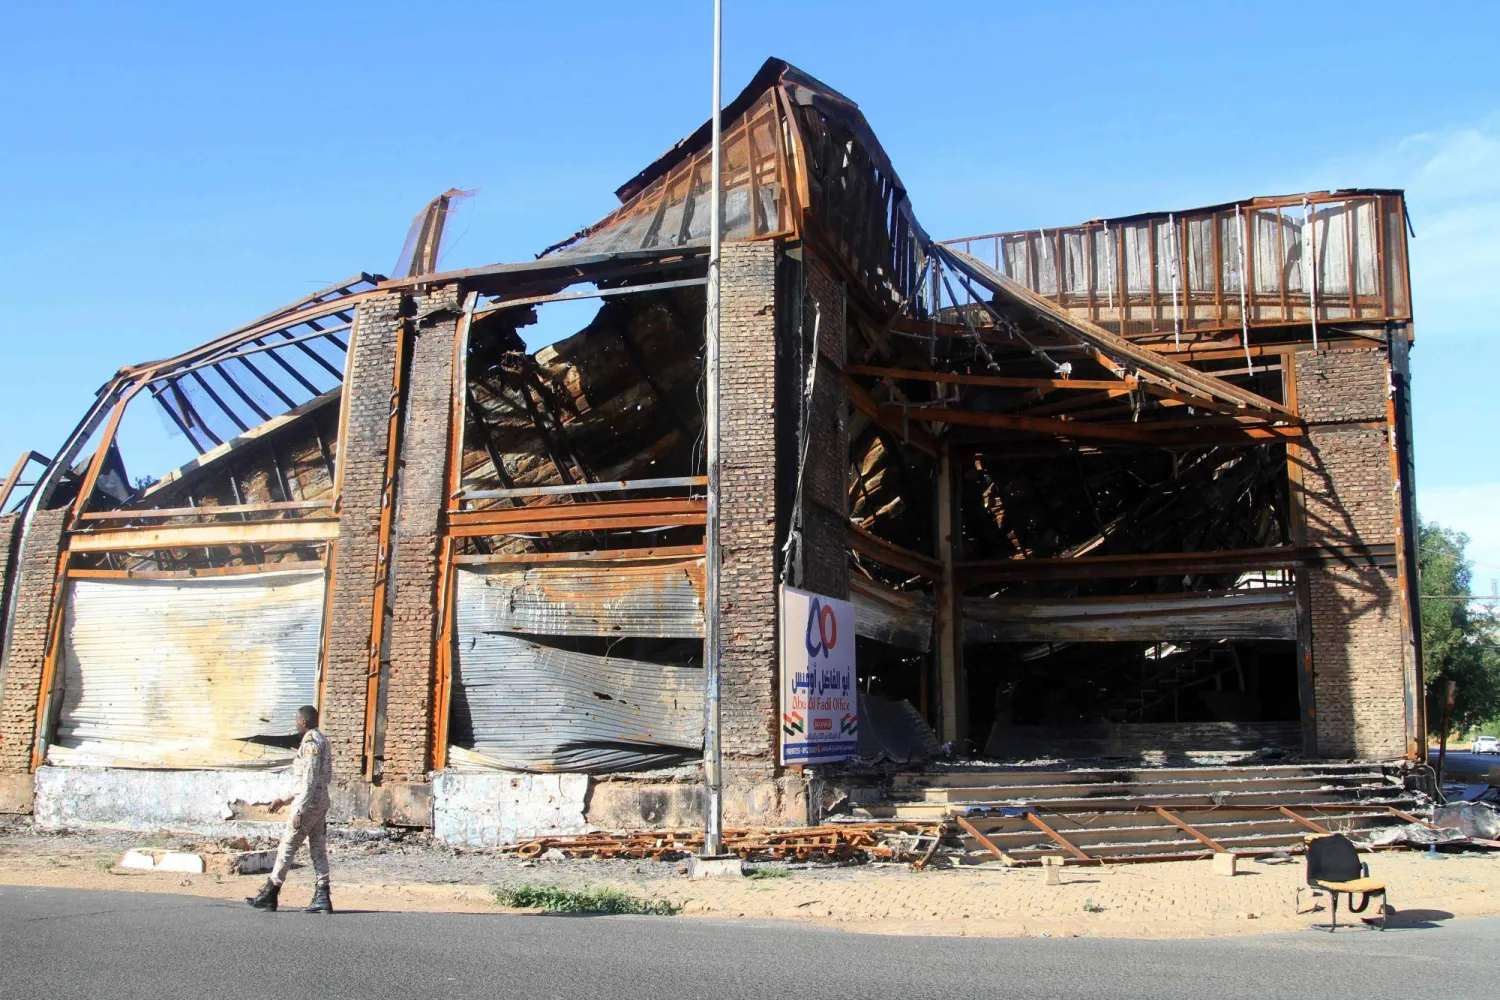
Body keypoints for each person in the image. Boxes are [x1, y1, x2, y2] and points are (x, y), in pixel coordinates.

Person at [247, 705, 334, 914]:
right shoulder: (322, 739)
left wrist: (299, 810)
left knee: (287, 847)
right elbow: (309, 780)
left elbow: (310, 779)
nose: (296, 725)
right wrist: (282, 799)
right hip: (319, 803)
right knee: (318, 849)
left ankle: (271, 891)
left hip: (309, 804)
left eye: (297, 721)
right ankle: (323, 894)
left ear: (303, 722)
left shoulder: (312, 742)